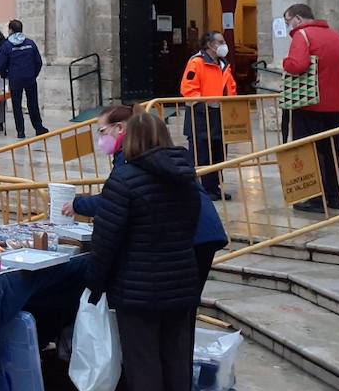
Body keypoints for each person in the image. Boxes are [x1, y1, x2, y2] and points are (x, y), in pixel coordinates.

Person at [86, 111, 201, 391]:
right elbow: (190, 225)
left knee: (143, 358)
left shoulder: (124, 180)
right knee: (176, 356)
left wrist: (96, 281)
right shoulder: (185, 177)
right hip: (181, 281)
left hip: (138, 285)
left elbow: (106, 239)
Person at [66, 105, 228, 297]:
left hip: (190, 232)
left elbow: (114, 200)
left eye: (102, 131)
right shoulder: (156, 152)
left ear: (120, 128)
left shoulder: (132, 155)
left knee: (179, 305)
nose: (100, 139)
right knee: (183, 305)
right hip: (197, 230)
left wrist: (77, 204)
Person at [283, 3, 339, 213]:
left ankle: (313, 199)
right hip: (335, 106)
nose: (289, 27)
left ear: (297, 18)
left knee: (308, 151)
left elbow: (298, 65)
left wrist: (286, 62)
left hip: (309, 104)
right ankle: (334, 197)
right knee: (331, 151)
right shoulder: (336, 36)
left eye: (288, 22)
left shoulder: (302, 35)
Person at [180, 31, 238, 200]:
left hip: (220, 114)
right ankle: (200, 189)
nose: (224, 44)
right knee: (201, 154)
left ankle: (214, 187)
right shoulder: (196, 62)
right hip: (201, 115)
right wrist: (204, 103)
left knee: (219, 153)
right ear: (210, 45)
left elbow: (231, 87)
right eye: (221, 41)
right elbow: (188, 88)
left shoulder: (224, 64)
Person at [4, 20, 46, 139]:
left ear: (11, 30)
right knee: (33, 103)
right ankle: (38, 128)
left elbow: (1, 64)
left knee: (17, 105)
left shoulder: (7, 45)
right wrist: (33, 74)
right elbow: (38, 62)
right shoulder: (30, 43)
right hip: (29, 78)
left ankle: (20, 131)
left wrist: (5, 74)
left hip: (15, 79)